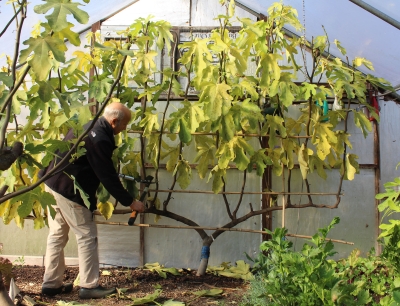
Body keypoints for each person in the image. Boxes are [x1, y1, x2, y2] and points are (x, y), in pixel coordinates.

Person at [39, 102, 144, 299]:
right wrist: (131, 202)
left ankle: (51, 284)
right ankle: (88, 286)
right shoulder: (101, 139)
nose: (125, 129)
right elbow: (106, 175)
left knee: (57, 235)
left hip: (52, 182)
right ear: (114, 121)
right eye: (124, 125)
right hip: (70, 191)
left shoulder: (89, 124)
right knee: (87, 235)